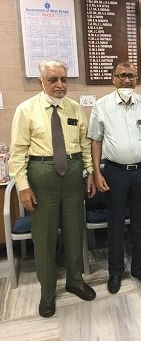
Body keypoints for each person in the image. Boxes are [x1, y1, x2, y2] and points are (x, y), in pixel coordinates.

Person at [9, 60, 97, 318]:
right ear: (41, 82)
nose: (60, 85)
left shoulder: (75, 108)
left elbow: (84, 144)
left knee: (74, 231)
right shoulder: (26, 110)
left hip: (72, 174)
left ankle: (75, 280)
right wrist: (23, 187)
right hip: (42, 174)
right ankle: (47, 292)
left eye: (64, 79)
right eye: (53, 80)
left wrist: (89, 172)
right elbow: (17, 154)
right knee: (45, 238)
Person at [88, 61, 141, 294]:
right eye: (122, 75)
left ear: (136, 79)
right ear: (113, 79)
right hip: (114, 172)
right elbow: (95, 141)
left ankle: (139, 268)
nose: (126, 80)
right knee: (116, 224)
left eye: (131, 76)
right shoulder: (101, 106)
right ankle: (115, 272)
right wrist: (97, 171)